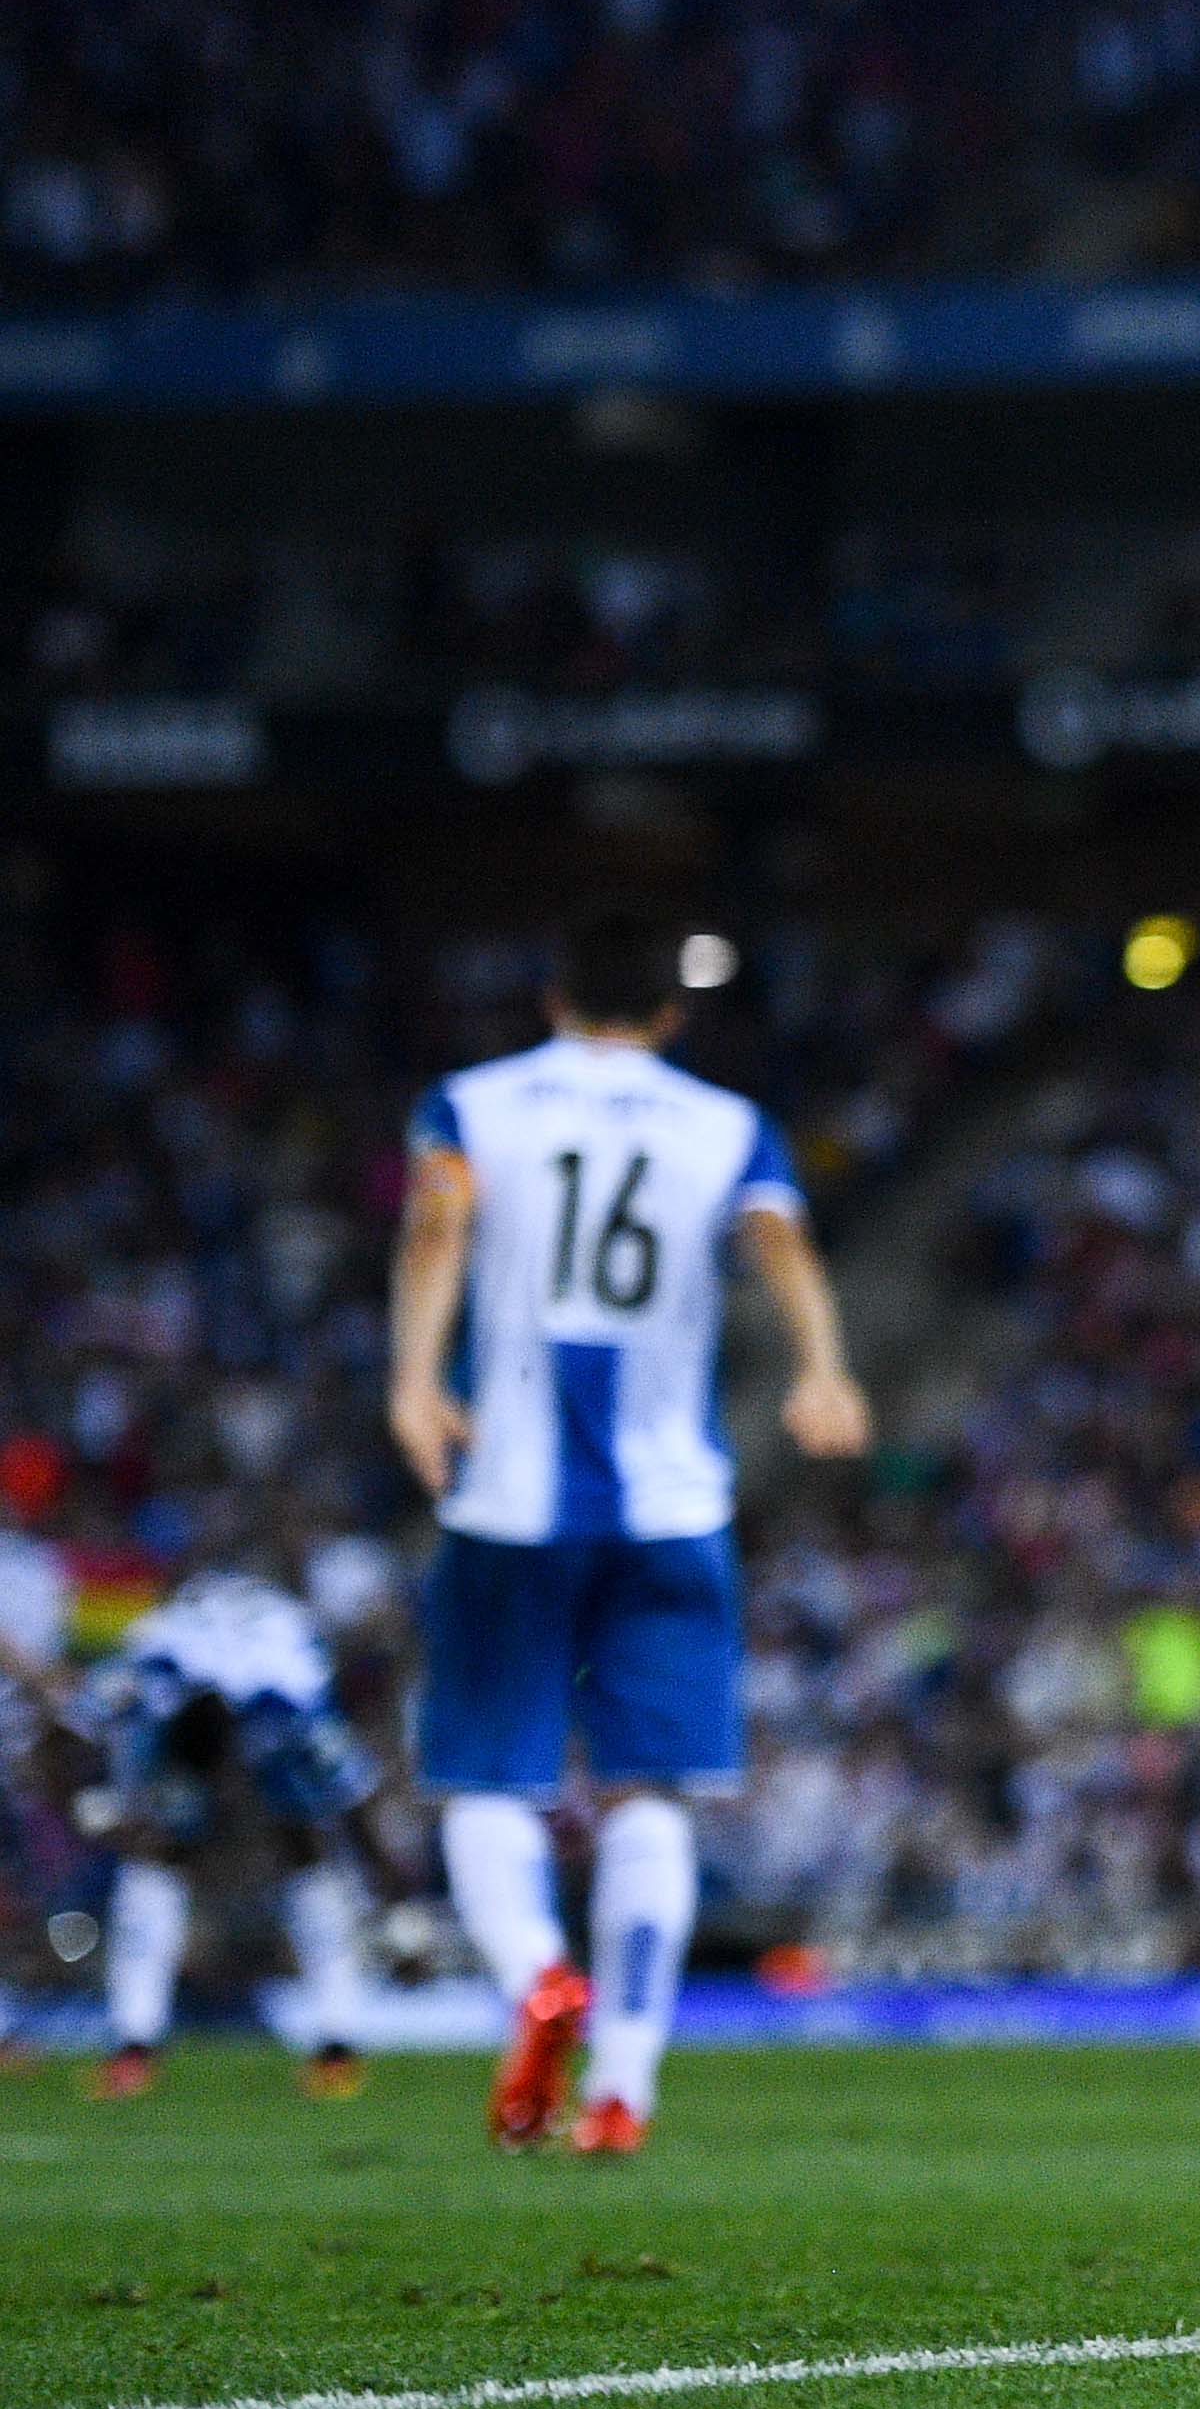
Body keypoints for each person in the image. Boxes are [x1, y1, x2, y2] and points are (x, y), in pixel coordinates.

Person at [387, 905, 872, 2154]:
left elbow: (437, 1223)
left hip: (509, 1497)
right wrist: (821, 1368)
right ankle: (624, 2091)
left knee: (488, 1777)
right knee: (652, 1789)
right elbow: (783, 1244)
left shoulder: (475, 1102)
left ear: (554, 995)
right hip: (671, 1504)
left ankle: (539, 1979)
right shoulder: (723, 1125)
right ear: (670, 1013)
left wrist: (412, 1377)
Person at [26, 1565, 422, 2101]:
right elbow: (58, 1730)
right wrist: (85, 1806)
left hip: (266, 1643)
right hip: (198, 1648)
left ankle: (336, 2047)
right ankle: (134, 2045)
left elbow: (355, 1806)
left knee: (304, 1852)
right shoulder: (142, 1683)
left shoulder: (293, 1713)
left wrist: (398, 1910)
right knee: (158, 1856)